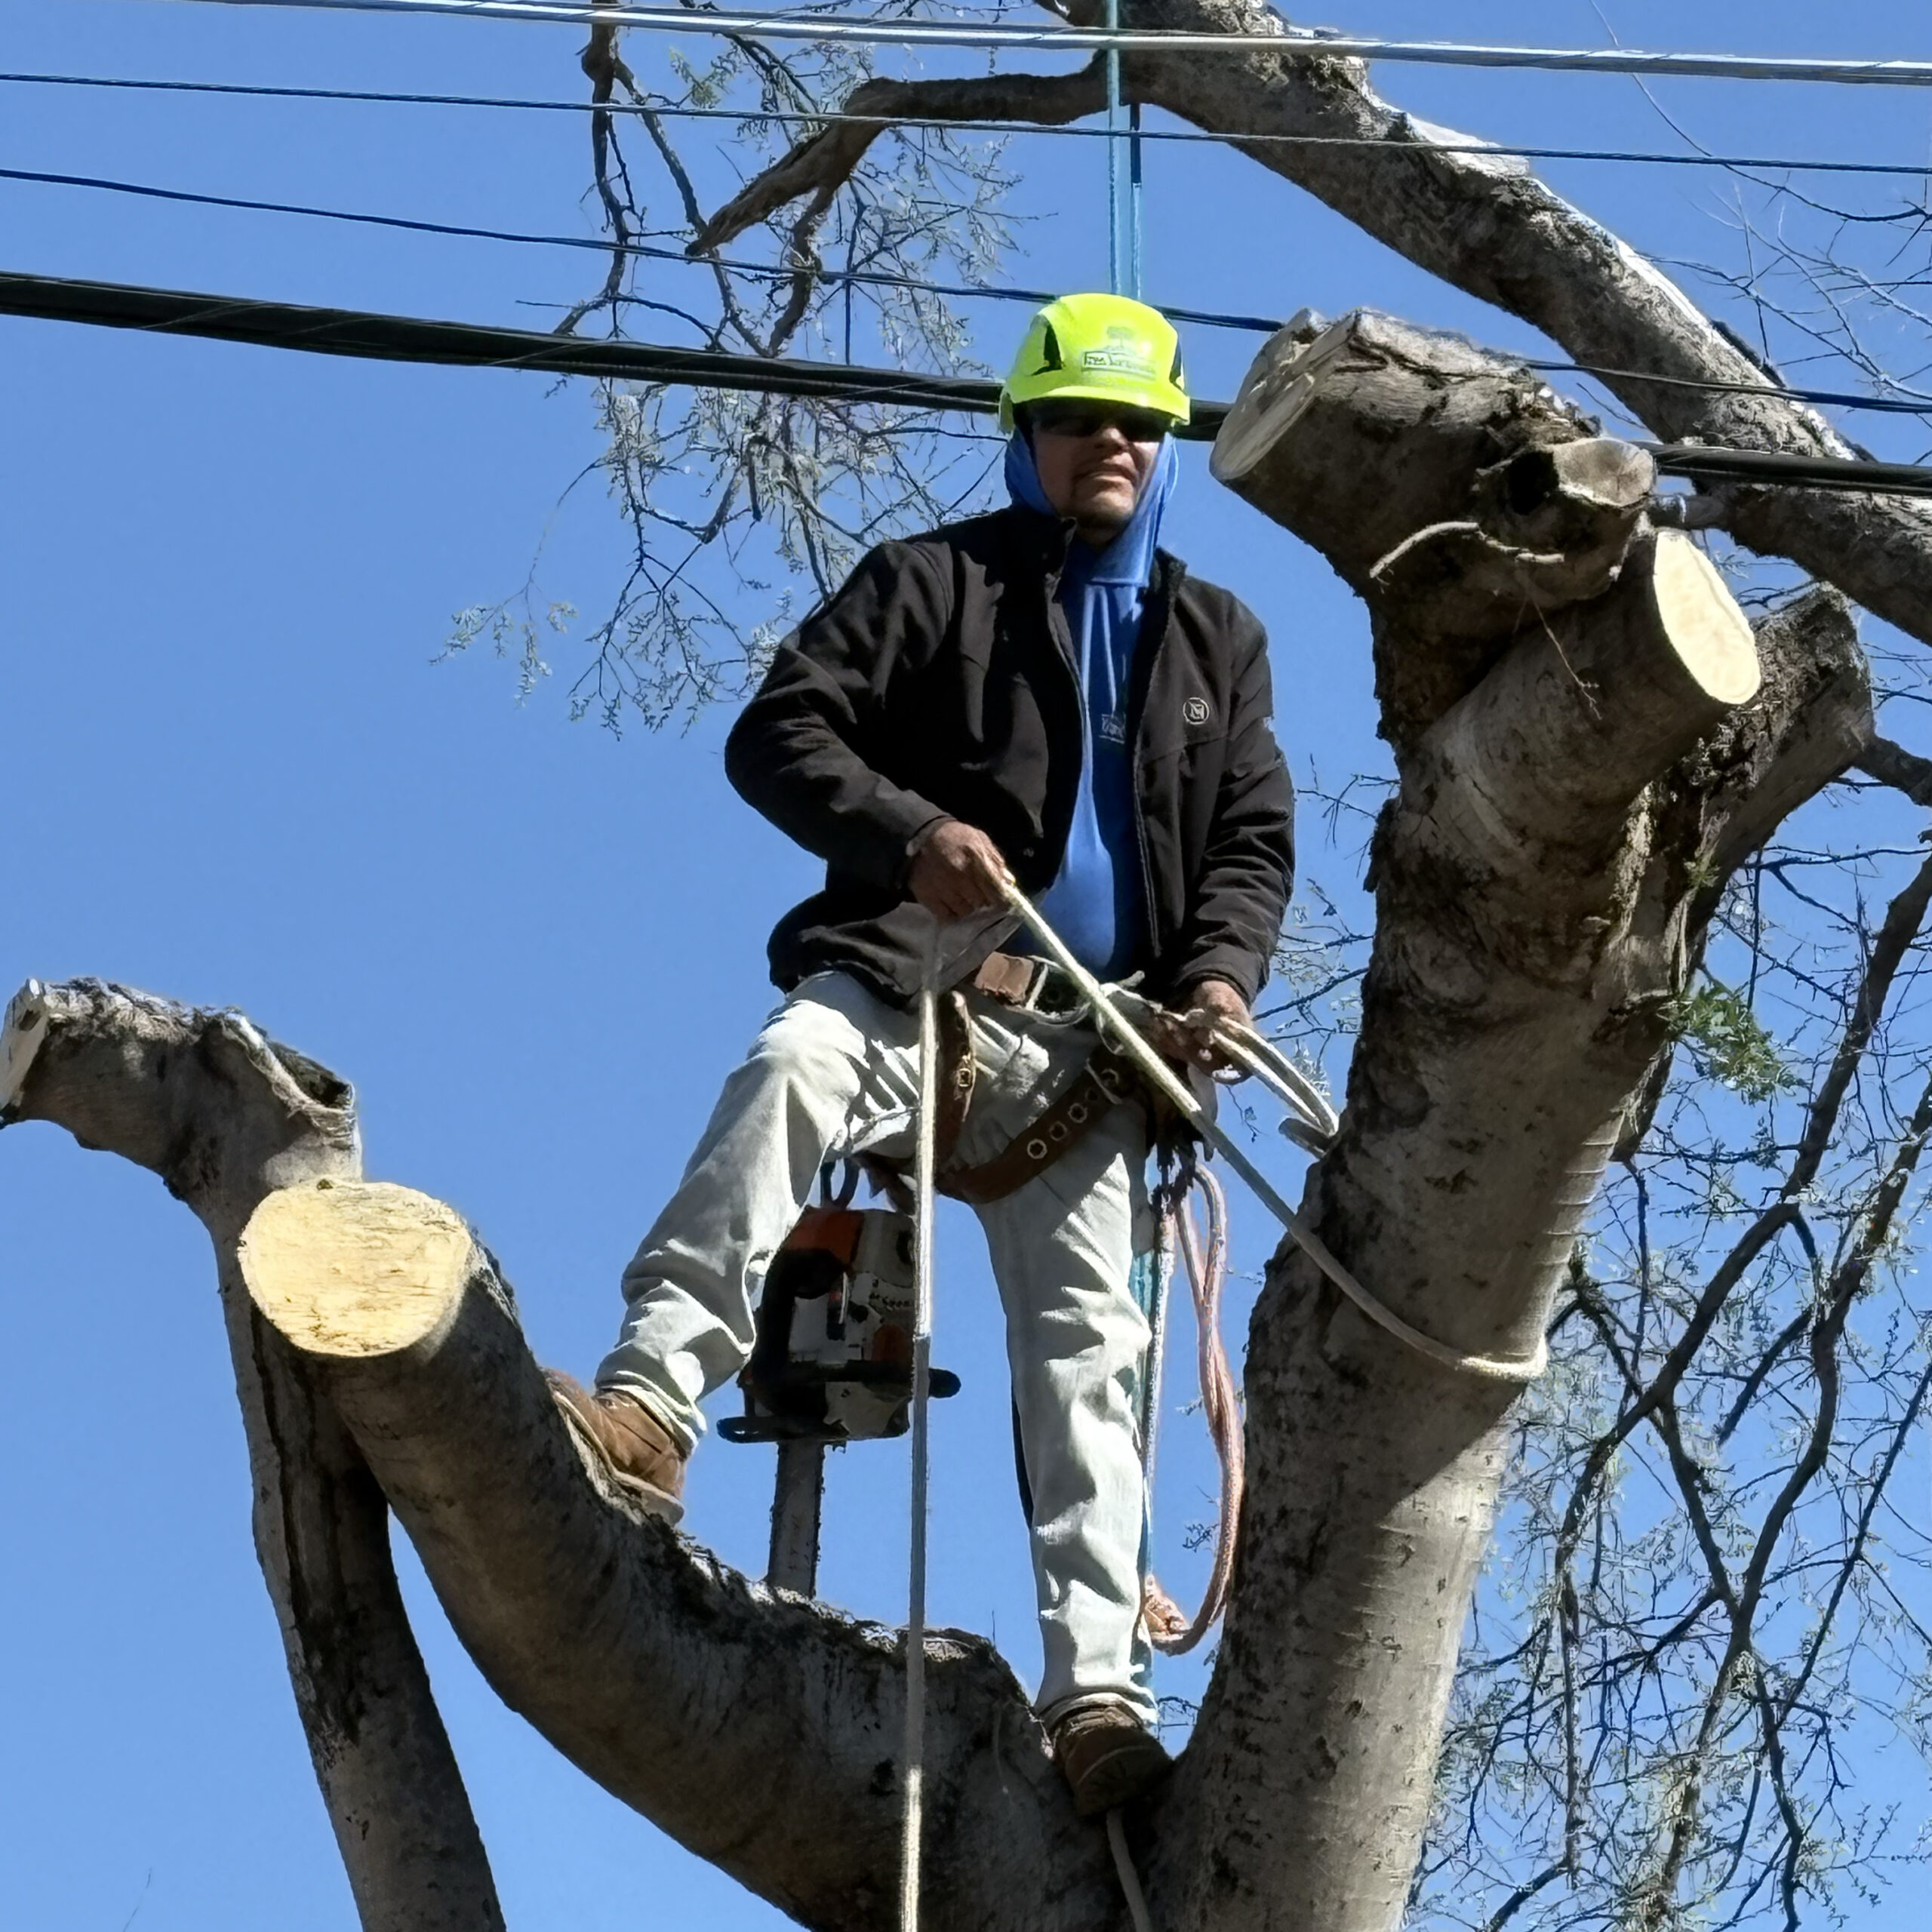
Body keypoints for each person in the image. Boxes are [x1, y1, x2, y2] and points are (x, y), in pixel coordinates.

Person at [549, 293, 1294, 1817]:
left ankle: (1096, 1689)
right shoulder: (928, 584)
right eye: (1084, 417)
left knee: (1094, 1352)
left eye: (1139, 425)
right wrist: (910, 836)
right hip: (919, 983)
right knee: (788, 1069)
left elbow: (1250, 838)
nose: (1114, 445)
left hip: (1098, 1048)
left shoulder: (1215, 637)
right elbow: (781, 731)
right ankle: (648, 1406)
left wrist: (1214, 980)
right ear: (1024, 429)